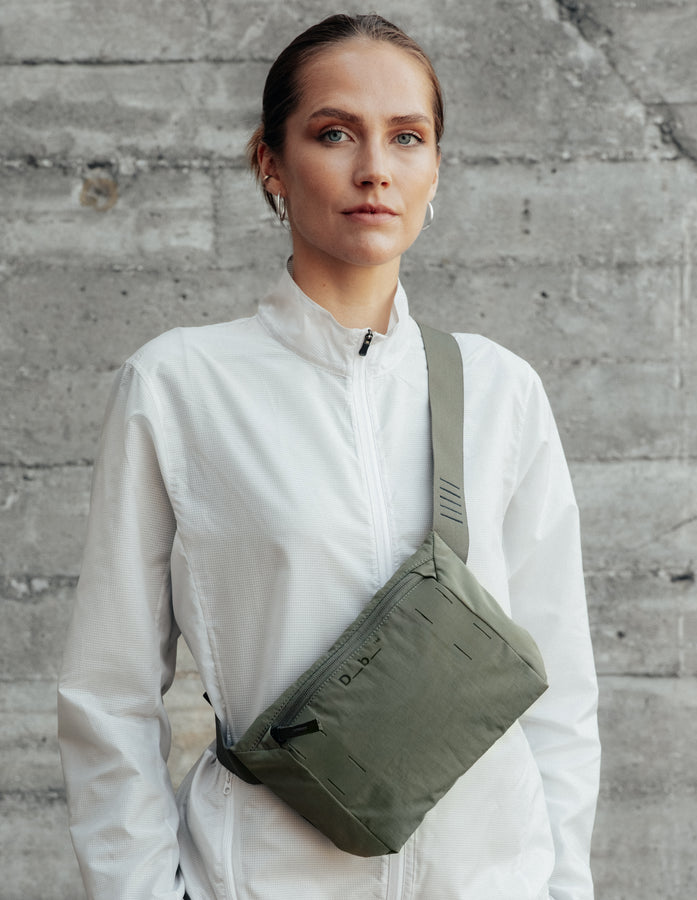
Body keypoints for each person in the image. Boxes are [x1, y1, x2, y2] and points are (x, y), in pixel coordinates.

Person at [58, 13, 600, 900]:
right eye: (335, 133)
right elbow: (107, 694)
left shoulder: (501, 390)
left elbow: (561, 690)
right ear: (270, 162)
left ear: (436, 169)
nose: (375, 167)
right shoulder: (180, 386)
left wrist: (560, 887)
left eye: (407, 137)